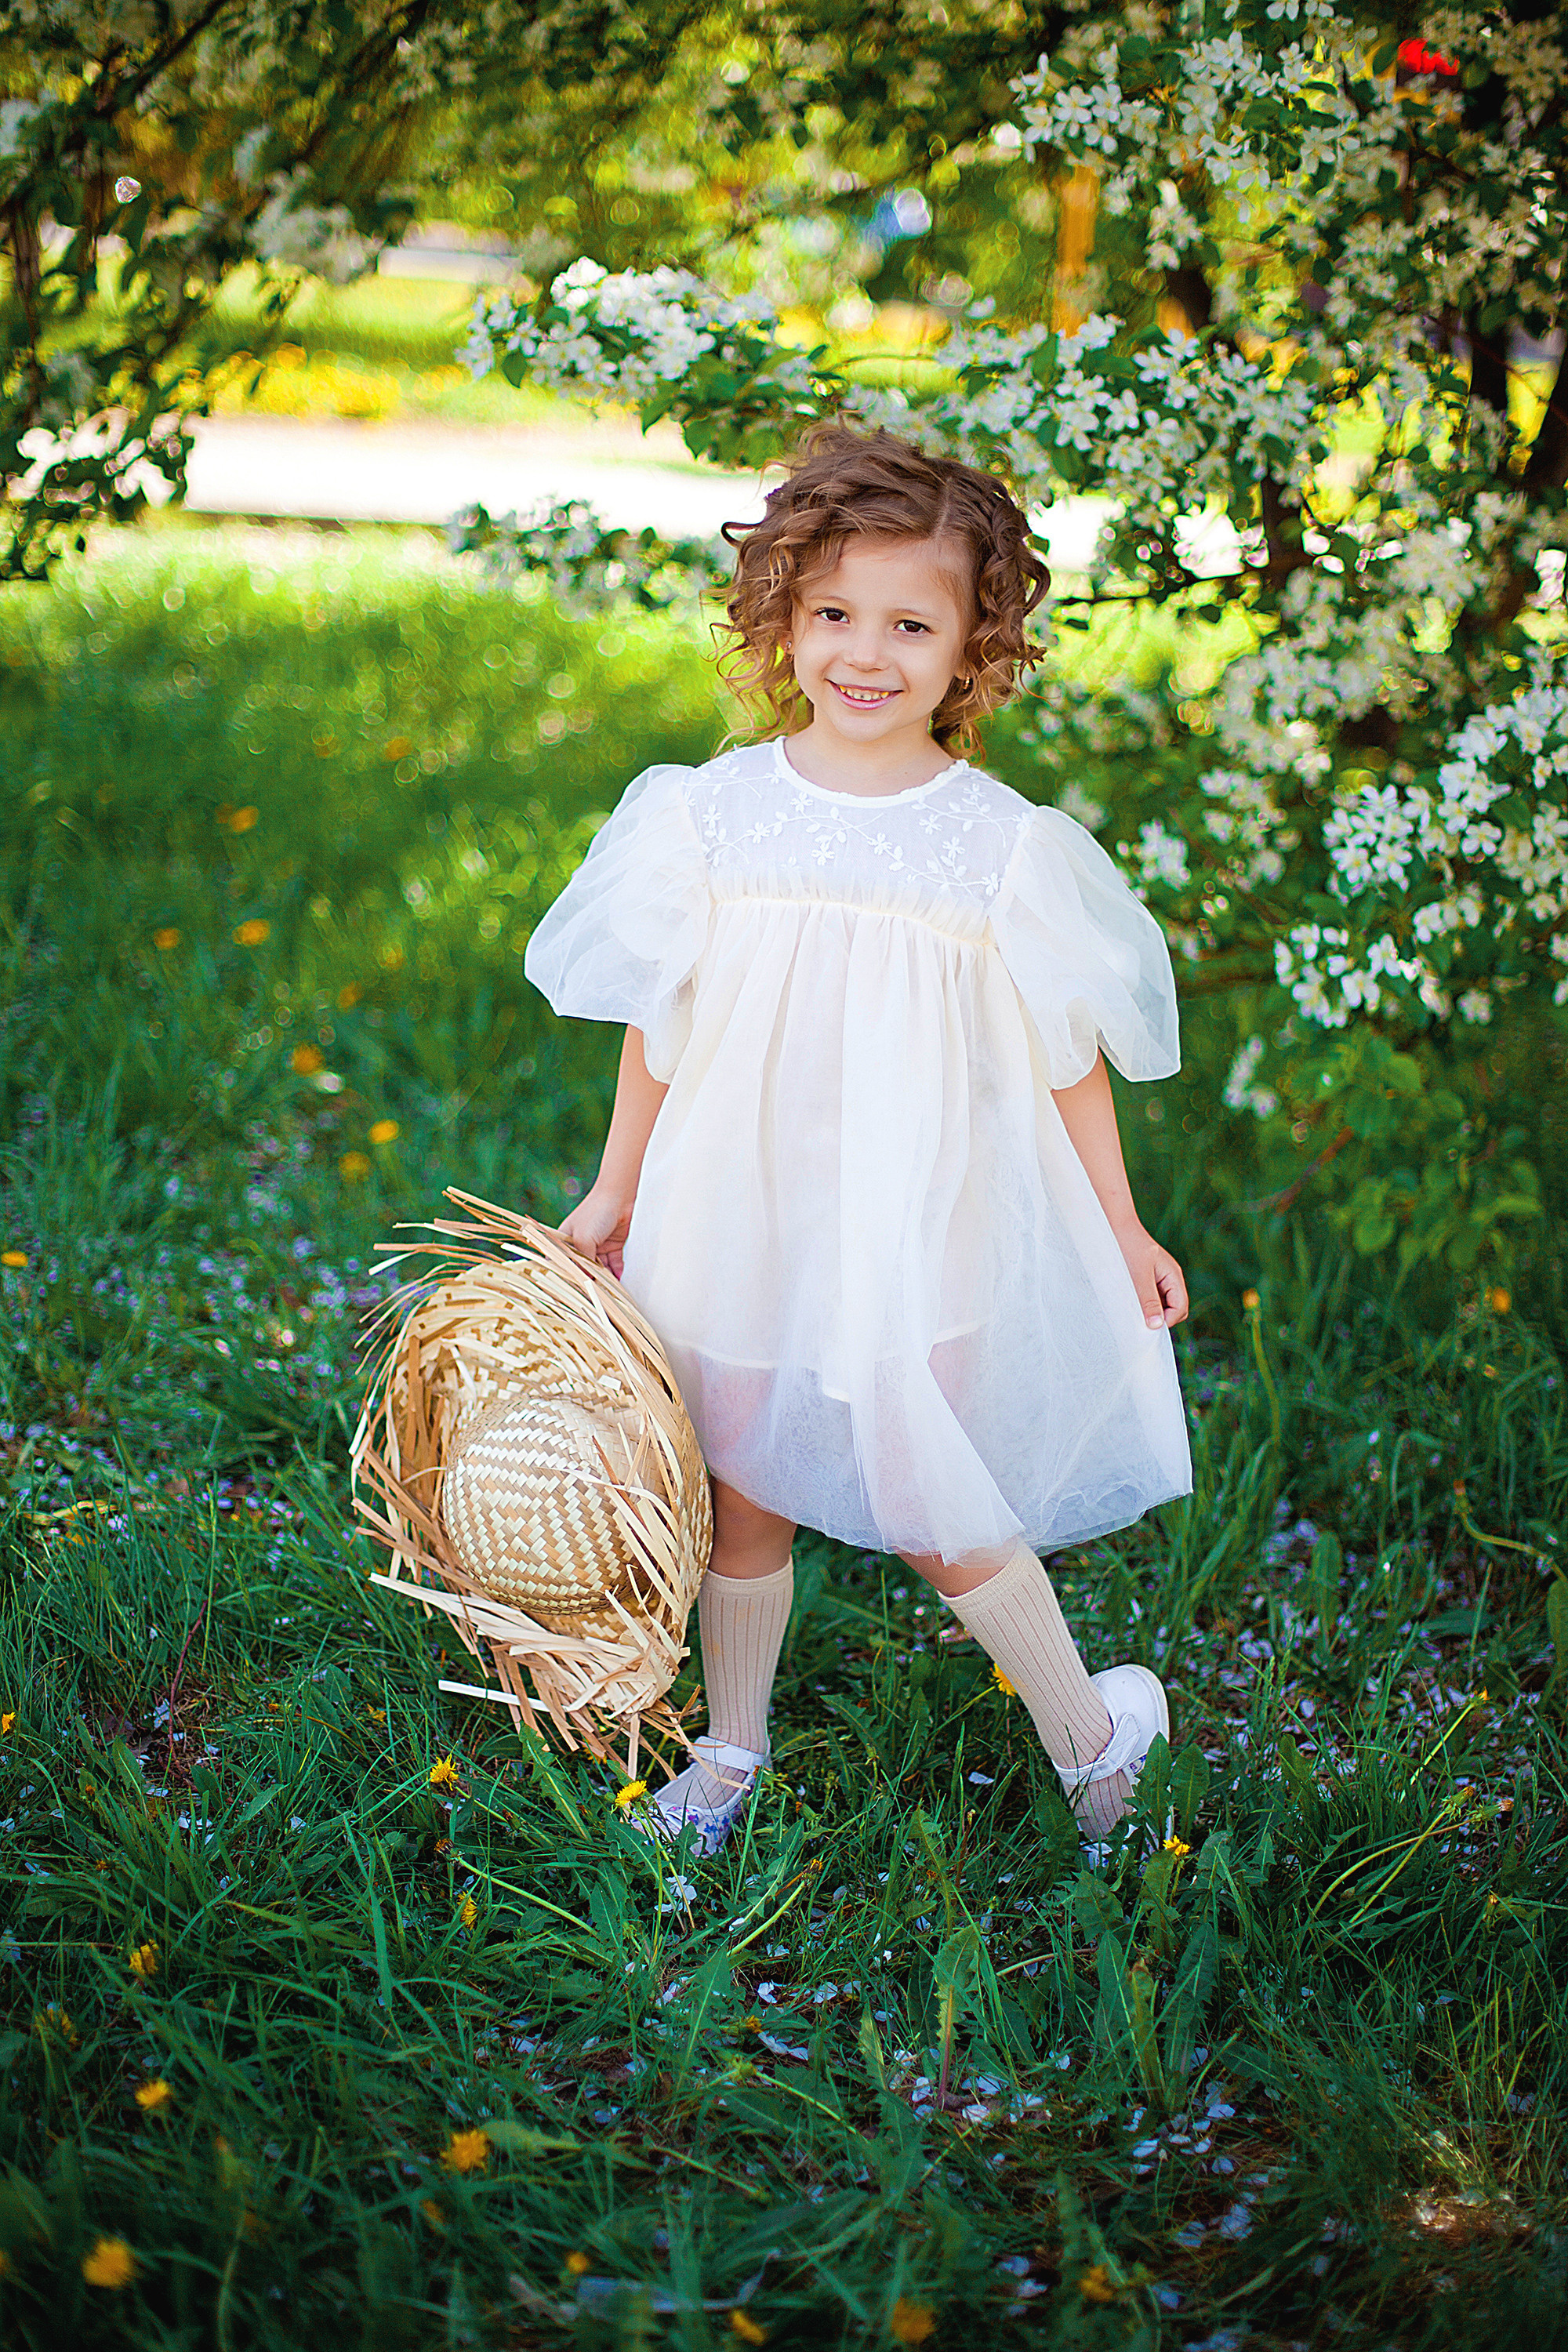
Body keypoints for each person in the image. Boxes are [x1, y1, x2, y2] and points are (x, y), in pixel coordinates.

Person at [524, 423, 1192, 1860]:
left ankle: (1091, 1734)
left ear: (974, 650)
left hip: (913, 1219)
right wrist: (616, 1187)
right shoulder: (712, 816)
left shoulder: (996, 844)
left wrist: (1123, 1224)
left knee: (925, 1487)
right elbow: (661, 1025)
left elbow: (1072, 1055)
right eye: (833, 613)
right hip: (734, 1205)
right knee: (739, 1489)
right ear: (782, 614)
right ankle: (733, 1744)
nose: (865, 653)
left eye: (911, 622)